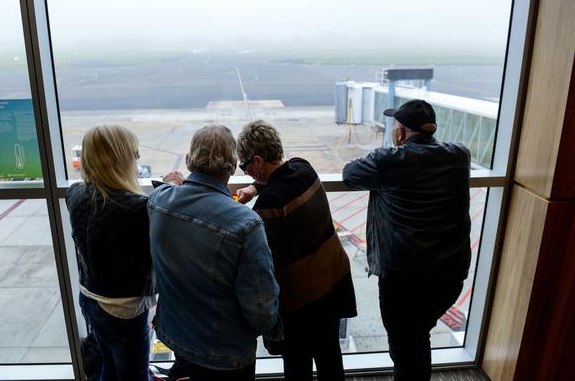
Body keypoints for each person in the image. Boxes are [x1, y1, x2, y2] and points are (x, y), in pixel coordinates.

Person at [342, 99, 471, 381]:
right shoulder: (460, 155)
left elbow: (349, 174)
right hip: (450, 275)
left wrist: (385, 153)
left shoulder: (390, 161)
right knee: (416, 338)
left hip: (405, 280)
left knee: (404, 349)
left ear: (400, 133)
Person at [147, 124, 282, 381]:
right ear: (232, 166)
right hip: (226, 355)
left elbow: (164, 188)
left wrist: (173, 181)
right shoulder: (246, 223)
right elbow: (261, 309)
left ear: (189, 161)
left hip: (177, 337)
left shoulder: (159, 201)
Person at [236, 120, 357, 381]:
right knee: (329, 355)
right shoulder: (304, 167)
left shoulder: (269, 206)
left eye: (245, 166)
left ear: (258, 161)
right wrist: (256, 186)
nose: (245, 173)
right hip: (334, 281)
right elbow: (282, 178)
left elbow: (264, 263)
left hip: (302, 301)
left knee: (297, 365)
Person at [66, 124, 154, 381]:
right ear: (120, 160)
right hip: (122, 309)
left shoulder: (75, 194)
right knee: (133, 375)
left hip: (90, 298)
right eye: (134, 155)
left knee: (108, 367)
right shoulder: (137, 207)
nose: (136, 161)